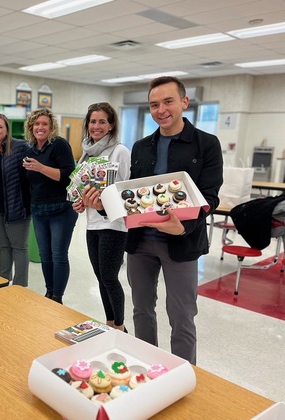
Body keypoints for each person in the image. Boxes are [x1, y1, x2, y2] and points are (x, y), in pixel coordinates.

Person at [82, 76, 223, 364]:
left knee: (182, 316)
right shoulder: (143, 146)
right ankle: (146, 367)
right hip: (141, 241)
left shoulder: (206, 144)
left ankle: (185, 375)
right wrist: (102, 206)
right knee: (142, 310)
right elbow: (131, 195)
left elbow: (210, 196)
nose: (161, 109)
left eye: (168, 101)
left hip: (182, 244)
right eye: (154, 104)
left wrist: (183, 226)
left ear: (184, 102)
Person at [72, 103, 130, 332]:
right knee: (100, 277)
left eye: (102, 121)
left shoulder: (120, 151)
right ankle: (109, 323)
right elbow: (80, 186)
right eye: (93, 121)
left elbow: (124, 192)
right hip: (93, 224)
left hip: (114, 224)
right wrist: (80, 202)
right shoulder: (87, 151)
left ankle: (120, 327)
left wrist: (102, 203)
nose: (96, 126)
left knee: (109, 277)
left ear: (111, 124)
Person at [23, 108, 78, 304]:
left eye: (44, 124)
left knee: (58, 255)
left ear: (51, 127)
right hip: (39, 210)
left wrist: (41, 168)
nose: (40, 127)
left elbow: (68, 175)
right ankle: (49, 292)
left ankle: (58, 298)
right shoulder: (30, 150)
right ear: (31, 127)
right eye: (36, 124)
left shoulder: (59, 145)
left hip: (62, 209)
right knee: (44, 255)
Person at [0, 113, 31, 286]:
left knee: (19, 246)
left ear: (7, 129)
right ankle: (3, 282)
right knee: (4, 245)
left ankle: (20, 286)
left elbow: (30, 175)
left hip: (16, 207)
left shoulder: (20, 147)